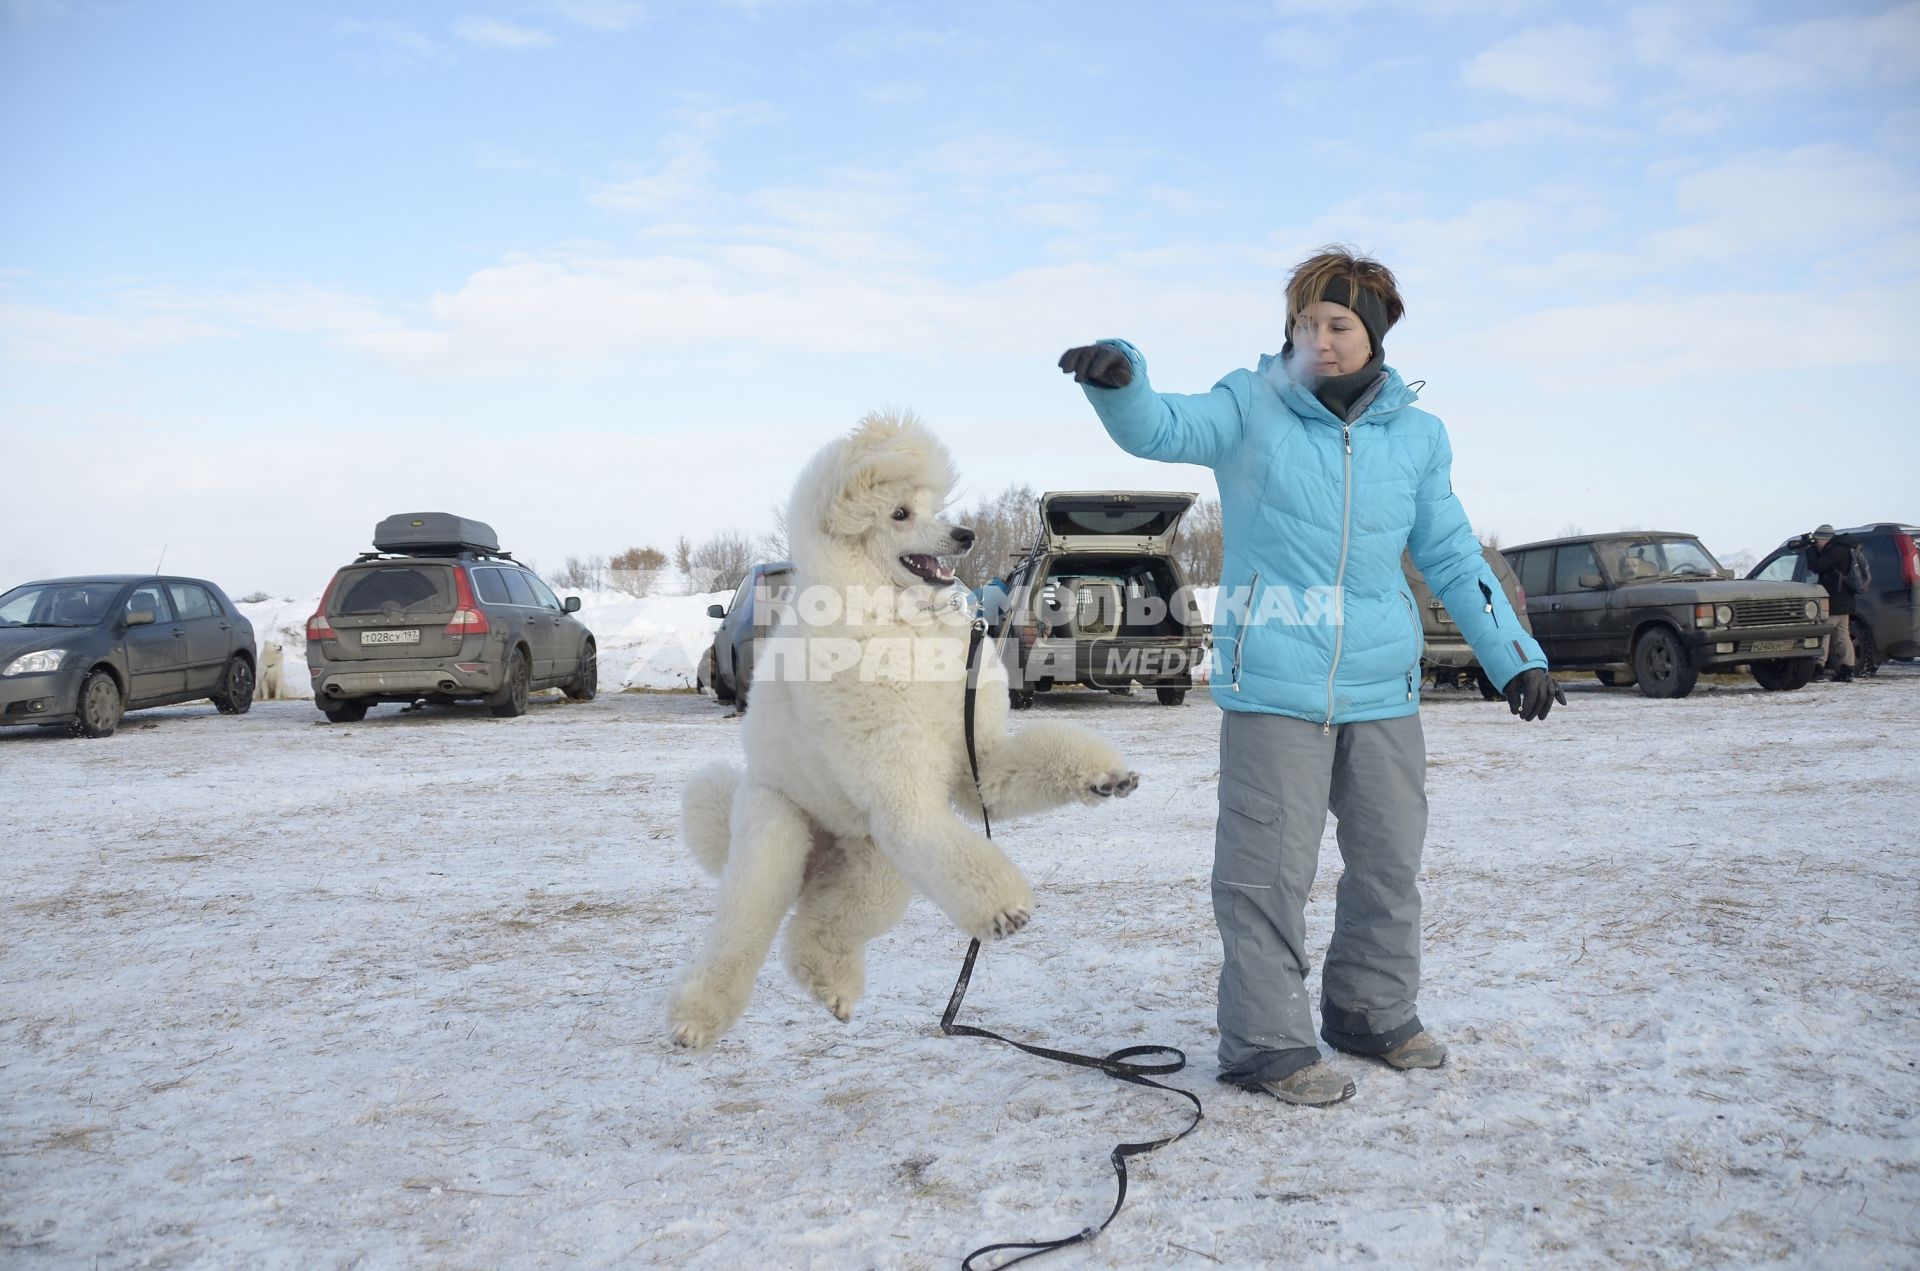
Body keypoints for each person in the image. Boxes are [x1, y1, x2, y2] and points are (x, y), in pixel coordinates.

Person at [1057, 246, 1564, 1107]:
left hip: (1381, 684)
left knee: (1388, 862)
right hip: (1277, 681)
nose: (1321, 341)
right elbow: (1163, 427)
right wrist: (1120, 382)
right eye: (1306, 325)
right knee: (1266, 868)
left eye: (1339, 325)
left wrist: (1514, 655)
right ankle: (1265, 1041)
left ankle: (1370, 1009)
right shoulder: (1250, 404)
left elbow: (1448, 552)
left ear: (1374, 334)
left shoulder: (1417, 436)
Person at [1804, 524, 1867, 681]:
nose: (1816, 543)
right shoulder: (1842, 548)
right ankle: (1847, 670)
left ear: (1825, 539)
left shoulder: (1836, 550)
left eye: (1817, 540)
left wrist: (1810, 550)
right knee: (1842, 635)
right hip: (1843, 599)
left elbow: (1817, 566)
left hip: (1835, 599)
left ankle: (1818, 669)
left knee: (1824, 633)